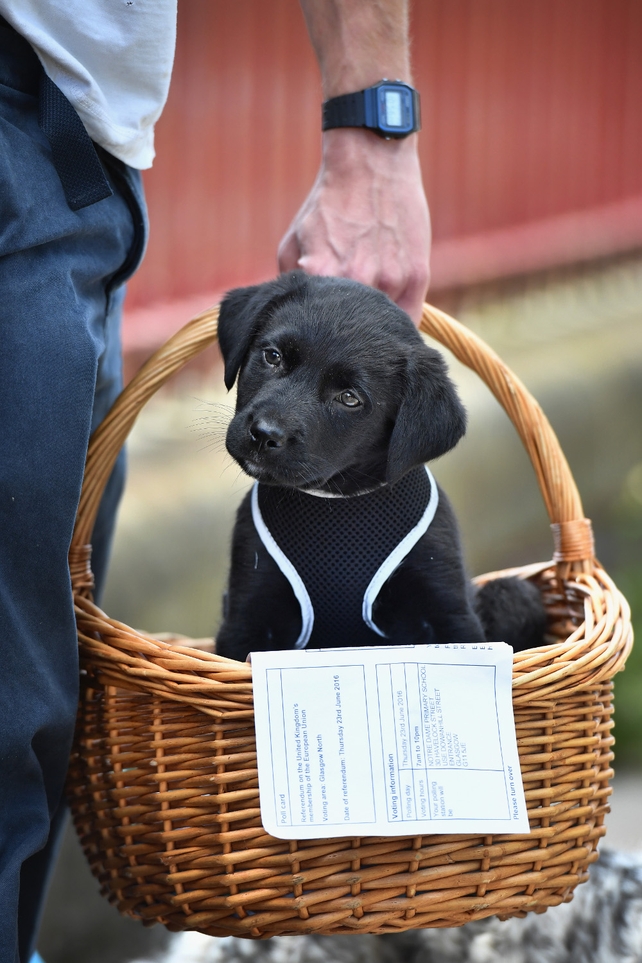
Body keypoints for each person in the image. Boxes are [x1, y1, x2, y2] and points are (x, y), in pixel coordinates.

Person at [0, 2, 430, 960]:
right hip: (39, 129)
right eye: (272, 361)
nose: (276, 415)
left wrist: (374, 126)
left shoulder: (406, 508)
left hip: (79, 149)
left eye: (345, 397)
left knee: (34, 712)